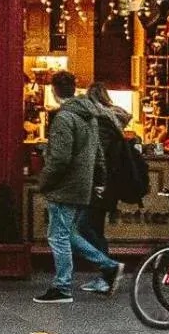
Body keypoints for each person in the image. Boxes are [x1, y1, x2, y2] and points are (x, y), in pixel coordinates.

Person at [33, 71, 125, 303]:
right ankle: (109, 266)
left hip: (65, 186)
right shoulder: (90, 116)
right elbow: (97, 153)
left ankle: (62, 286)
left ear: (54, 91)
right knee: (69, 233)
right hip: (82, 184)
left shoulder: (64, 118)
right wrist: (100, 180)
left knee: (58, 237)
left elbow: (60, 158)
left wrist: (44, 180)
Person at [81, 82, 129, 294]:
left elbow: (95, 156)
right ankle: (106, 274)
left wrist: (95, 182)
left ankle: (108, 270)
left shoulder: (100, 124)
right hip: (110, 184)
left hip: (99, 185)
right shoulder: (112, 121)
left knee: (85, 226)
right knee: (95, 228)